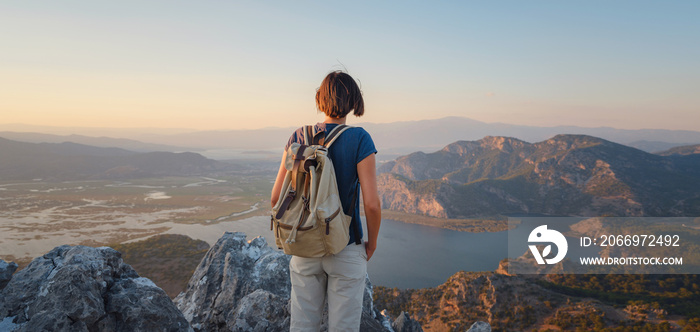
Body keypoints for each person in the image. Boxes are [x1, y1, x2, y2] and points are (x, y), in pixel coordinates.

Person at [270, 70, 381, 331]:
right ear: (353, 101)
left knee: (302, 325)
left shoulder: (298, 137)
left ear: (320, 98)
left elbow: (276, 198)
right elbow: (372, 204)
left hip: (304, 242)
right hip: (346, 245)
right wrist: (371, 244)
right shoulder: (360, 139)